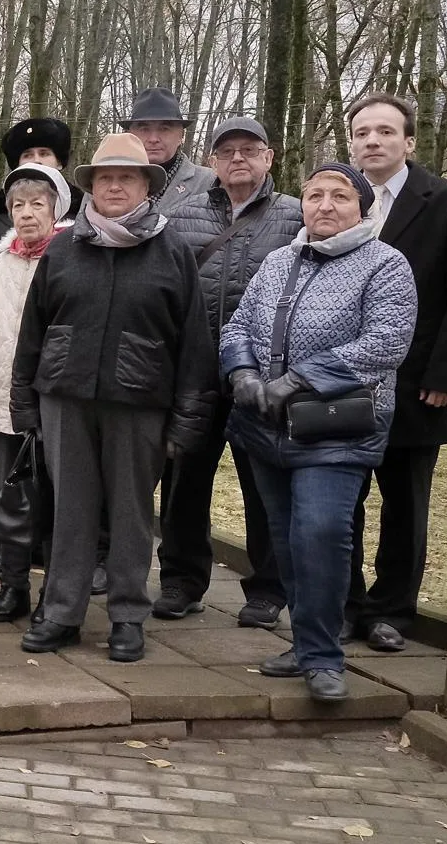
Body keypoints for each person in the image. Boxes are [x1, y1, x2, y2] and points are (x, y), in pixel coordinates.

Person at [11, 133, 216, 662]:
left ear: (146, 185)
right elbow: (33, 332)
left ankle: (127, 615)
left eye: (128, 177)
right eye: (106, 178)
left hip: (140, 402)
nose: (116, 186)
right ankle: (61, 612)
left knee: (130, 514)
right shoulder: (63, 248)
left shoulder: (172, 251)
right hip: (65, 399)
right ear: (91, 187)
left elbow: (194, 343)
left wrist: (186, 423)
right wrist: (24, 404)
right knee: (72, 511)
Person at [221, 164, 416, 701]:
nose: (325, 205)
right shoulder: (279, 261)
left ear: (362, 207)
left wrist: (299, 380)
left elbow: (385, 343)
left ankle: (325, 658)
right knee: (285, 541)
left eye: (339, 196)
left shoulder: (385, 264)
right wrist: (241, 373)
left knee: (321, 535)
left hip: (336, 432)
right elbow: (238, 325)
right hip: (266, 430)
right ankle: (305, 645)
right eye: (314, 196)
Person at [346, 93, 447, 651]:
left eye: (385, 131)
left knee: (404, 504)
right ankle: (345, 604)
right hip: (345, 385)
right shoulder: (339, 199)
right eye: (362, 133)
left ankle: (391, 612)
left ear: (409, 142)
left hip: (417, 384)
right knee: (340, 502)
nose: (373, 141)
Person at [153, 118, 304, 626]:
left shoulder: (295, 217)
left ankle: (267, 589)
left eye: (249, 150)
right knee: (183, 483)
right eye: (227, 151)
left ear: (270, 157)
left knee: (264, 486)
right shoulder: (182, 215)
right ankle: (180, 579)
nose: (238, 158)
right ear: (213, 161)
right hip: (193, 372)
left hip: (261, 375)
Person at [0, 162, 71, 620]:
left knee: (57, 504)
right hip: (3, 406)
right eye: (18, 205)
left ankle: (56, 595)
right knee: (10, 502)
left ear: (55, 208)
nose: (26, 213)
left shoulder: (70, 259)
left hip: (57, 406)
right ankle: (13, 585)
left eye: (37, 204)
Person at [0, 117, 78, 332]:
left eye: (44, 153)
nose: (36, 160)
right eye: (28, 155)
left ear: (59, 161)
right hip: (1, 327)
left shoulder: (82, 208)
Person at [121, 88, 217, 214]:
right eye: (144, 129)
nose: (153, 139)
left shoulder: (209, 182)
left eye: (164, 129)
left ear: (181, 136)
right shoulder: (105, 181)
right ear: (130, 134)